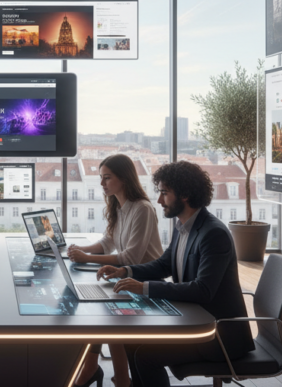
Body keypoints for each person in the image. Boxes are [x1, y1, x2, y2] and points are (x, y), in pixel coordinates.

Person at [95, 161, 254, 387]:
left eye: (164, 193)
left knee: (145, 355)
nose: (159, 200)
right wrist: (125, 270)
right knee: (132, 341)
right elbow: (164, 264)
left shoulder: (213, 234)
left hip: (217, 335)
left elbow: (203, 290)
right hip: (192, 318)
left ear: (185, 195)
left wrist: (144, 288)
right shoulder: (184, 226)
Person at [67, 155, 163, 387]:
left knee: (106, 313)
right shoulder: (119, 207)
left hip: (146, 281)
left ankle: (112, 376)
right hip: (126, 277)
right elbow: (107, 242)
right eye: (101, 178)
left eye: (107, 178)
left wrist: (87, 258)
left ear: (124, 178)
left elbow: (131, 257)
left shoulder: (143, 209)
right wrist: (80, 250)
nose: (102, 184)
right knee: (99, 309)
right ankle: (110, 374)